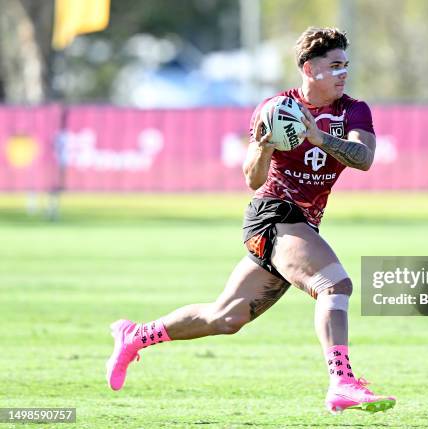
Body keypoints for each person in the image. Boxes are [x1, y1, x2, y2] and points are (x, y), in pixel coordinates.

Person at [106, 26, 396, 414]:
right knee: (334, 284)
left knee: (225, 317)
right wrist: (261, 147)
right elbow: (252, 179)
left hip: (302, 224)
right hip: (273, 216)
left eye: (346, 65)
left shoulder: (353, 110)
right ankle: (341, 383)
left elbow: (364, 159)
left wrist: (318, 137)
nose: (344, 73)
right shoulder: (276, 108)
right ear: (310, 69)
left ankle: (136, 336)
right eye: (335, 66)